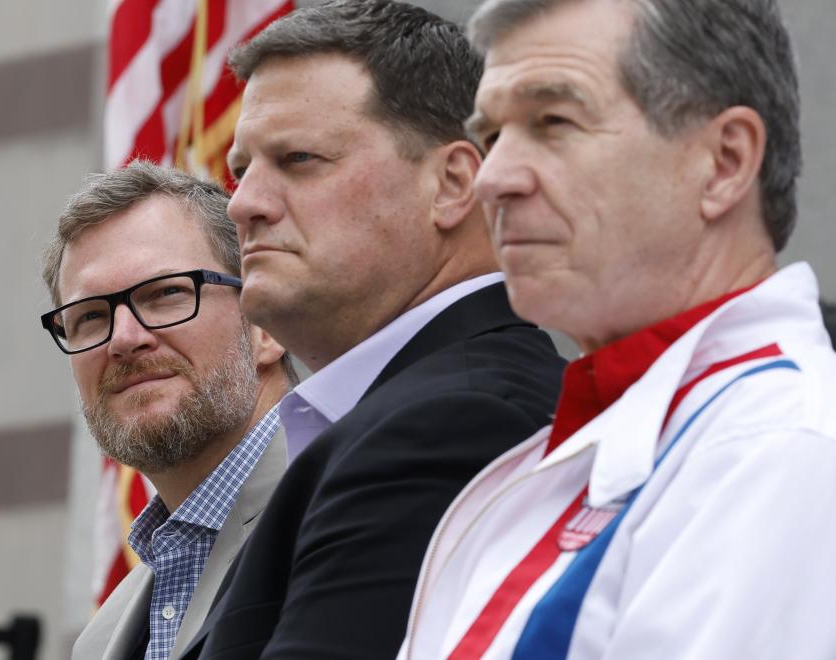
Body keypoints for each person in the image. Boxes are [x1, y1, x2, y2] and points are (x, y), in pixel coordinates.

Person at [398, 0, 836, 659]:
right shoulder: (581, 447)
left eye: (554, 121)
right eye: (491, 135)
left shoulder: (784, 454)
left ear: (724, 162)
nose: (493, 179)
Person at [179, 1, 566, 658]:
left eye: (298, 159)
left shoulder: (457, 421)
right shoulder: (411, 409)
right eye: (242, 170)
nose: (242, 204)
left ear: (453, 184)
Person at [39, 161, 295, 660]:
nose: (125, 339)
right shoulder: (99, 641)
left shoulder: (352, 514)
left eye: (167, 294)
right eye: (90, 316)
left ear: (267, 324)